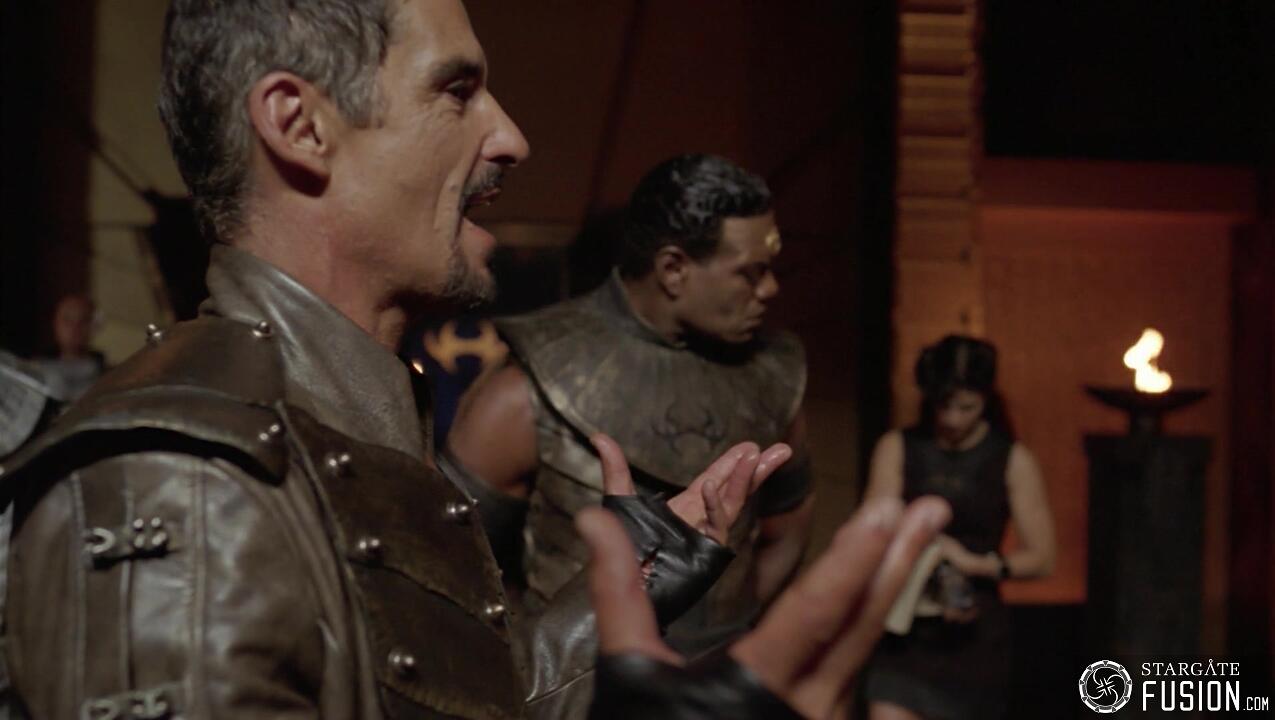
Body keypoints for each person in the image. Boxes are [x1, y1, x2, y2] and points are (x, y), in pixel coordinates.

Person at [0, 2, 950, 718]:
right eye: (455, 90)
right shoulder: (182, 480)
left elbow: (453, 699)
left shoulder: (339, 421)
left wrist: (627, 589)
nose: (510, 136)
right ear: (299, 125)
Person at [445, 154, 813, 665]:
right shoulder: (526, 390)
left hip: (718, 681)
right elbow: (453, 562)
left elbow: (786, 532)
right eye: (750, 273)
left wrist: (728, 650)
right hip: (576, 683)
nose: (770, 289)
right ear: (673, 269)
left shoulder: (774, 378)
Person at [860, 335, 1056, 720]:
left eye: (966, 407)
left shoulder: (1011, 459)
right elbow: (872, 532)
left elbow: (1042, 558)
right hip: (908, 623)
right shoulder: (898, 446)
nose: (952, 419)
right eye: (943, 406)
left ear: (986, 399)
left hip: (974, 630)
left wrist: (974, 564)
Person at [31, 294, 105, 400]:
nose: (75, 327)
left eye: (84, 320)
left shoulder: (107, 375)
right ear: (55, 323)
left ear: (94, 326)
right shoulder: (35, 369)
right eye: (67, 319)